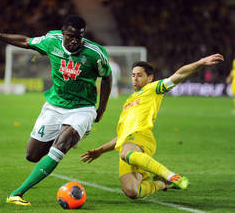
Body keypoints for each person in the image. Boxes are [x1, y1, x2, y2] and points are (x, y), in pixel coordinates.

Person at [0, 15, 112, 205]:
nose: (75, 41)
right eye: (70, 36)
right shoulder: (51, 41)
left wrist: (101, 109)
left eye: (79, 37)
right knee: (33, 155)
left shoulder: (96, 54)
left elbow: (107, 77)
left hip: (83, 108)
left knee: (61, 145)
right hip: (55, 106)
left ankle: (17, 193)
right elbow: (25, 41)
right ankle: (70, 137)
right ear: (63, 34)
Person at [81, 53, 224, 199]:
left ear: (150, 78)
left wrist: (200, 62)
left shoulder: (153, 89)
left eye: (139, 75)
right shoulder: (129, 101)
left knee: (125, 153)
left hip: (141, 137)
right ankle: (162, 183)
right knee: (132, 192)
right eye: (133, 75)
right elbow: (121, 136)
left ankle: (170, 176)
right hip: (127, 144)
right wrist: (100, 150)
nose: (135, 79)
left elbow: (179, 75)